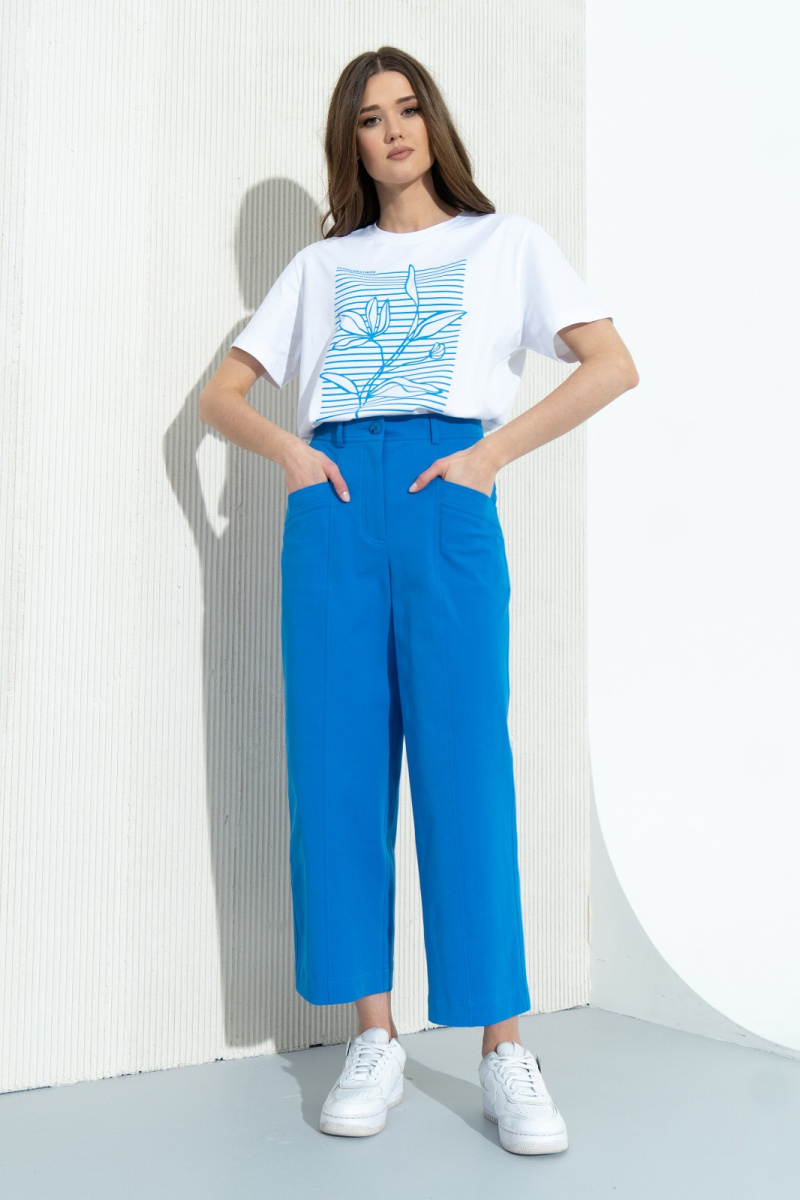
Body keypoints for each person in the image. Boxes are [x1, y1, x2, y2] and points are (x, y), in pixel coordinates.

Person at [199, 45, 638, 1155]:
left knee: (465, 769)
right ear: (348, 142)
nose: (391, 130)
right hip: (335, 505)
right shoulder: (320, 268)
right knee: (336, 772)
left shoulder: (505, 243)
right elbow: (219, 398)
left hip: (447, 499)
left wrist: (489, 457)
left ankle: (502, 1047)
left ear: (432, 122)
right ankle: (374, 1035)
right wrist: (291, 457)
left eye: (405, 109)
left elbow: (609, 363)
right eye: (367, 117)